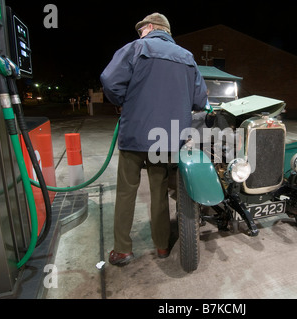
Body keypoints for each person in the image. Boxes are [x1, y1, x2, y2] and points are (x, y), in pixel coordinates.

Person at [100, 13, 208, 266]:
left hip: (135, 135)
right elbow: (200, 100)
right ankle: (161, 247)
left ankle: (123, 250)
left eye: (141, 31)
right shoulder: (187, 57)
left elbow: (109, 80)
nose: (140, 35)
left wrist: (123, 101)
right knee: (159, 191)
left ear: (149, 28)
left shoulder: (136, 48)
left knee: (126, 191)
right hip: (167, 140)